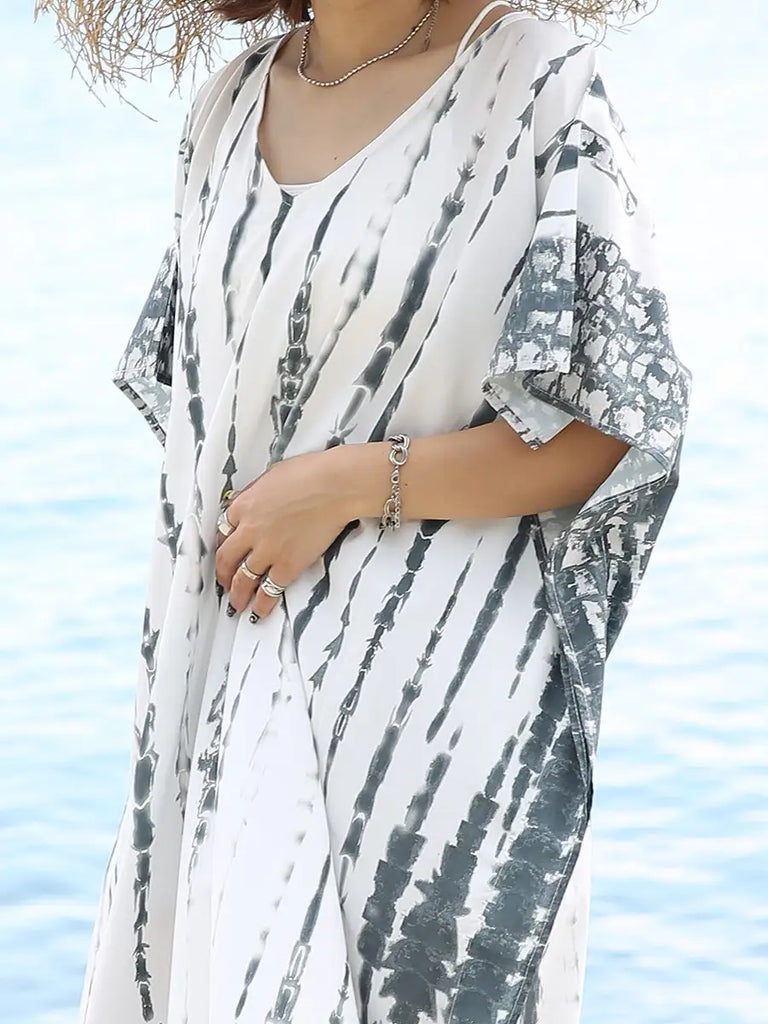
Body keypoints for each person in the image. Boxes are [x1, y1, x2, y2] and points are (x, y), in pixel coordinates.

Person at [42, 0, 692, 1021]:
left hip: (442, 726)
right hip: (232, 692)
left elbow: (612, 428)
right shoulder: (225, 113)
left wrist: (350, 483)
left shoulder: (534, 79)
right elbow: (200, 441)